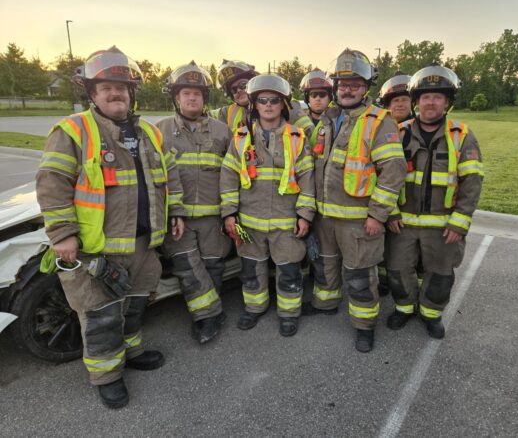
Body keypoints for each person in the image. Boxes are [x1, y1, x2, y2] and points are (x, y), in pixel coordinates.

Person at [36, 46, 185, 408]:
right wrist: (62, 234)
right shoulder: (73, 130)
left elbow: (170, 175)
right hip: (95, 248)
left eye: (122, 87)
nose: (115, 93)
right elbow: (52, 183)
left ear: (132, 93)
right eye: (106, 88)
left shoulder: (148, 133)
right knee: (101, 315)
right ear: (92, 93)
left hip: (142, 243)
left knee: (134, 305)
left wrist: (176, 211)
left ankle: (130, 353)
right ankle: (107, 375)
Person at [302, 48, 406, 352]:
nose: (347, 89)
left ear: (366, 89)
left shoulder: (379, 121)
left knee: (360, 275)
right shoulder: (327, 118)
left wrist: (377, 215)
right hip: (325, 216)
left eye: (355, 84)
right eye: (342, 83)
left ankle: (364, 325)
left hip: (359, 219)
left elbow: (393, 172)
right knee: (326, 266)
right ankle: (325, 303)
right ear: (335, 86)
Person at [385, 63, 484, 338]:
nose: (431, 102)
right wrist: (390, 212)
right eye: (425, 97)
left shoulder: (461, 135)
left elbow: (472, 182)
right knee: (396, 269)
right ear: (416, 101)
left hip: (443, 225)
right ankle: (404, 309)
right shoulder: (399, 132)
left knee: (440, 273)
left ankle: (431, 313)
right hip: (402, 223)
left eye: (437, 96)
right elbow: (383, 176)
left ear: (447, 102)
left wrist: (460, 222)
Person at [220, 74, 316, 337]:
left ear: (284, 104)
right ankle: (255, 307)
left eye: (275, 100)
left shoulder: (297, 137)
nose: (269, 105)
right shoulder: (240, 137)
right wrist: (229, 213)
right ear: (254, 104)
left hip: (287, 222)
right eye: (262, 100)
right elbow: (228, 177)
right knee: (251, 269)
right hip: (248, 222)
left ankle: (289, 314)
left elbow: (308, 179)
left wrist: (305, 215)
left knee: (289, 271)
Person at [156, 62, 232, 344]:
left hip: (214, 217)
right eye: (186, 93)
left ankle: (208, 314)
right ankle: (208, 318)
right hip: (179, 219)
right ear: (176, 97)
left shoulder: (223, 132)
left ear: (204, 98)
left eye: (197, 94)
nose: (192, 98)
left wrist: (230, 213)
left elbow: (233, 174)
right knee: (189, 270)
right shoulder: (158, 131)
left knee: (214, 267)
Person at [376, 72, 419, 296]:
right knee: (385, 249)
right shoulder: (380, 129)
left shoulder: (418, 130)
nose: (400, 104)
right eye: (395, 100)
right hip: (388, 204)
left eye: (404, 100)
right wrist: (390, 211)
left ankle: (414, 290)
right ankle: (385, 284)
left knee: (415, 255)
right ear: (387, 104)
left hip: (416, 206)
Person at [214, 59, 314, 138]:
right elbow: (203, 115)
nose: (239, 90)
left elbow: (310, 134)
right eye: (233, 89)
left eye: (243, 85)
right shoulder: (228, 112)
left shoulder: (285, 105)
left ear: (254, 83)